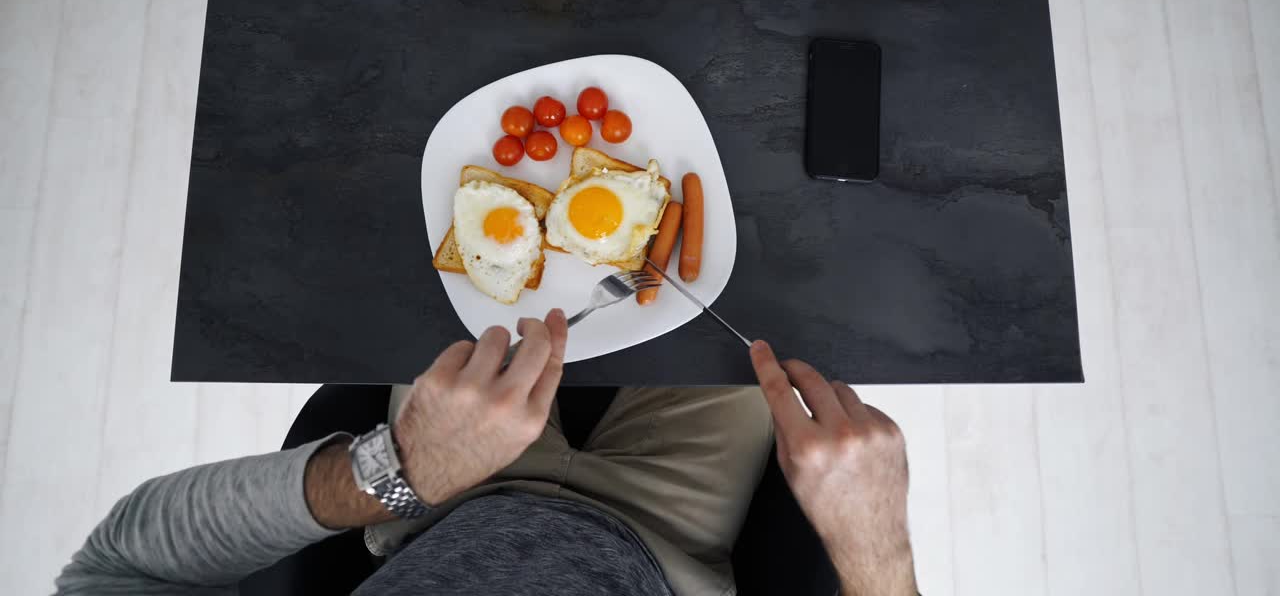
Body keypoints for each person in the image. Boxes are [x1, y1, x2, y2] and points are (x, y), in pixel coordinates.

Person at [56, 309, 917, 595]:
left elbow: (121, 563)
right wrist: (876, 550)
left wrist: (396, 473)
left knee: (500, 254)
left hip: (437, 503)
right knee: (758, 300)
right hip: (670, 540)